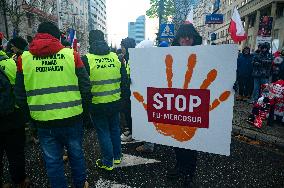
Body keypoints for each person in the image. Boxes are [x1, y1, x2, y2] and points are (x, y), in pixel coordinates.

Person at [14, 22, 91, 188]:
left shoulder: (23, 59)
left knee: (53, 161)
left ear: (38, 35)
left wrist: (31, 118)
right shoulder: (72, 55)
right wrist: (83, 111)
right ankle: (80, 184)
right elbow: (85, 86)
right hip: (72, 117)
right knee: (76, 154)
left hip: (43, 121)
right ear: (57, 37)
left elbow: (19, 95)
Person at [81, 30, 128, 170]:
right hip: (115, 101)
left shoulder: (86, 59)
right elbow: (124, 80)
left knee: (103, 132)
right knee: (114, 129)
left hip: (97, 104)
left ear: (90, 41)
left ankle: (107, 162)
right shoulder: (115, 57)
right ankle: (118, 156)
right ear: (104, 40)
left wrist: (86, 104)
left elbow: (84, 85)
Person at [166, 24, 202, 187]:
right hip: (175, 103)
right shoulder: (169, 54)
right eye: (183, 36)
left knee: (191, 141)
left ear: (194, 38)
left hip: (193, 103)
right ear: (178, 38)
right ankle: (180, 166)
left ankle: (189, 172)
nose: (186, 39)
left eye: (190, 36)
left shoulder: (205, 55)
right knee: (176, 139)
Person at [0, 39, 30, 188]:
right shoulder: (12, 63)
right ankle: (20, 181)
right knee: (16, 151)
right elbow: (21, 88)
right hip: (13, 114)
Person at [120, 37, 136, 142]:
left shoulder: (132, 58)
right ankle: (131, 130)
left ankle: (133, 133)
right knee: (128, 113)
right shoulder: (126, 58)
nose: (121, 48)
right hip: (128, 91)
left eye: (122, 46)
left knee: (130, 113)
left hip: (131, 91)